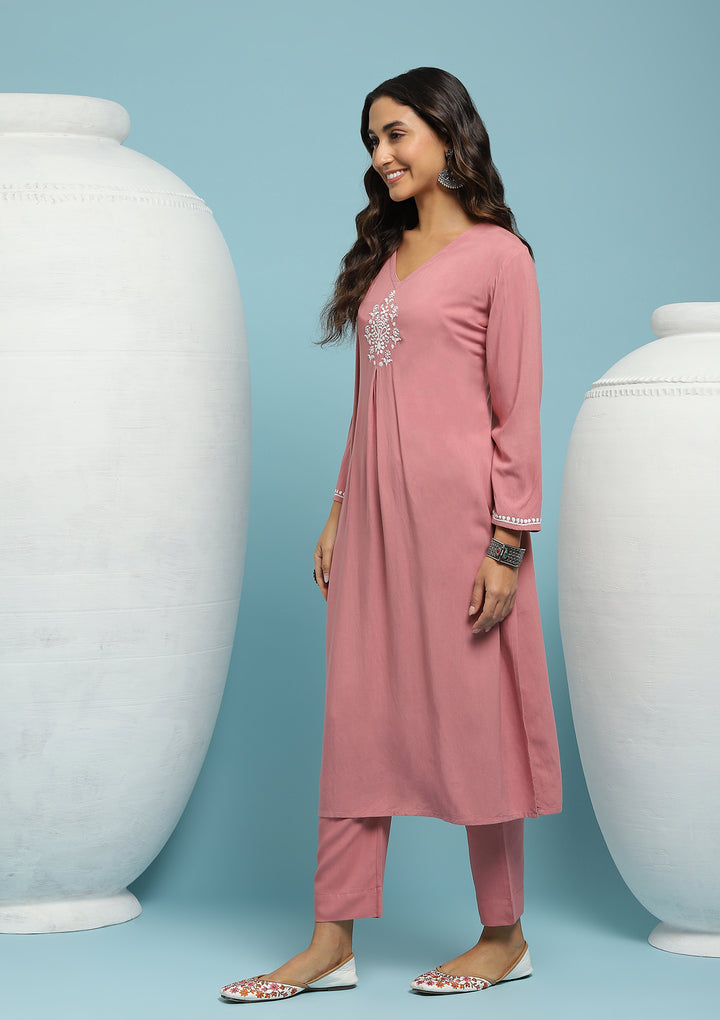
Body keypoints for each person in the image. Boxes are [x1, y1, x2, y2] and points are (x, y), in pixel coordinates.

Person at [220, 66, 561, 1003]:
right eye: (372, 141)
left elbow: (519, 412)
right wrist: (340, 506)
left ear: (449, 133)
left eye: (396, 133)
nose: (381, 155)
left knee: (478, 722)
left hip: (464, 529)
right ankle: (330, 942)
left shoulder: (501, 258)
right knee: (357, 721)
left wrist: (507, 544)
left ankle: (505, 935)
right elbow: (369, 403)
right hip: (373, 525)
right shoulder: (385, 255)